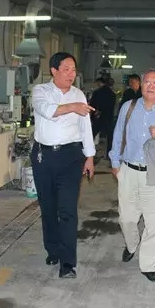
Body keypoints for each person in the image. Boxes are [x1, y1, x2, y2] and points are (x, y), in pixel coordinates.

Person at [109, 69, 155, 282]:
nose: (151, 86)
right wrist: (115, 162)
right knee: (126, 218)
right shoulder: (128, 107)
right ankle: (132, 244)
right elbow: (118, 134)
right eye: (147, 82)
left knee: (153, 222)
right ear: (141, 85)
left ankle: (148, 264)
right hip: (128, 170)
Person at [31, 52, 96, 279]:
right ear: (54, 71)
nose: (71, 74)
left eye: (73, 70)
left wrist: (90, 157)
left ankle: (68, 263)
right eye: (66, 69)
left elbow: (85, 128)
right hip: (44, 156)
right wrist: (73, 106)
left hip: (71, 157)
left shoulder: (79, 95)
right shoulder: (40, 91)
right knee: (48, 208)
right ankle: (53, 250)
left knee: (67, 210)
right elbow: (48, 111)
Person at [89, 77, 117, 157]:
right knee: (110, 138)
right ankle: (109, 155)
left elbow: (92, 104)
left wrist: (94, 113)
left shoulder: (97, 92)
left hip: (98, 117)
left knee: (91, 136)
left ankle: (88, 153)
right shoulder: (112, 94)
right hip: (108, 118)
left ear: (101, 83)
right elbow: (112, 106)